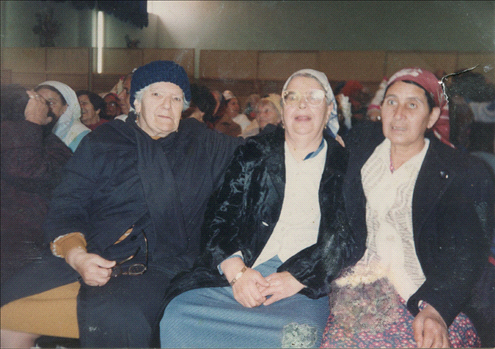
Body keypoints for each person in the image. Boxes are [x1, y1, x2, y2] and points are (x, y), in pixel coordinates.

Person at [0, 60, 244, 348]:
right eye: (156, 95)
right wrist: (77, 256)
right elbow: (68, 204)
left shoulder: (203, 144)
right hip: (91, 253)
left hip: (161, 265)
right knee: (8, 310)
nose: (167, 105)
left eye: (176, 98)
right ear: (136, 103)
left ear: (184, 107)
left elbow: (265, 152)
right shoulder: (104, 141)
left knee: (121, 316)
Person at [160, 69, 362, 348]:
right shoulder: (253, 151)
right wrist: (237, 271)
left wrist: (298, 277)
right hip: (245, 270)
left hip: (302, 284)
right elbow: (219, 216)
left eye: (313, 97)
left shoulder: (346, 162)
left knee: (299, 338)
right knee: (178, 317)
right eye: (293, 97)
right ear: (283, 109)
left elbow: (348, 237)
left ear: (329, 109)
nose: (302, 105)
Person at [321, 67, 494, 348]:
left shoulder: (463, 172)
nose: (399, 113)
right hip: (363, 291)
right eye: (391, 102)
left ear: (432, 117)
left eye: (412, 104)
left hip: (434, 297)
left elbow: (467, 253)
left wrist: (437, 308)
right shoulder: (359, 151)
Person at [1, 84, 72, 283]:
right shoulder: (23, 134)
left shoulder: (45, 141)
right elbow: (27, 171)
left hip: (25, 251)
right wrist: (32, 124)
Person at [34, 81, 90, 152]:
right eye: (39, 101)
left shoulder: (81, 135)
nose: (44, 107)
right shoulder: (28, 128)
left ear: (65, 107)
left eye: (51, 103)